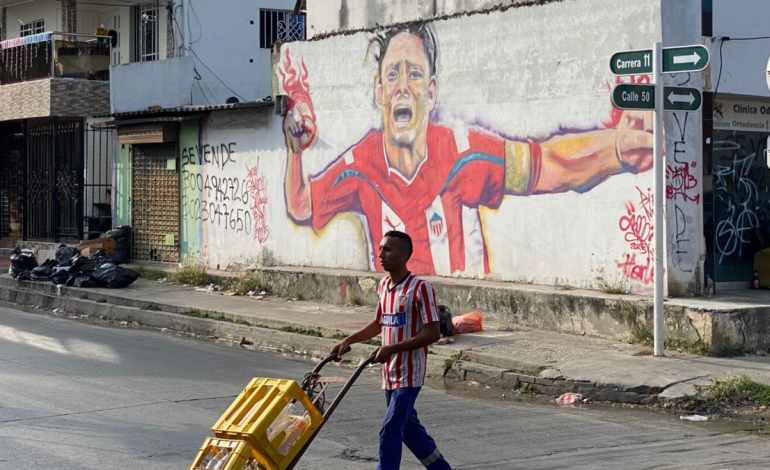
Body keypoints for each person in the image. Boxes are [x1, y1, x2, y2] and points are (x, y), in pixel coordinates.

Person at [280, 23, 654, 276]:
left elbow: (547, 163)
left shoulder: (463, 153)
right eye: (392, 74)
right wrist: (296, 154)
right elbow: (301, 205)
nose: (403, 87)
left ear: (431, 92)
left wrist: (614, 149)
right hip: (396, 318)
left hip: (452, 319)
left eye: (414, 73)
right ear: (380, 93)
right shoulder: (359, 166)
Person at [331, 230, 452, 470]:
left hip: (409, 374)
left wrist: (392, 348)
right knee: (409, 430)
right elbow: (379, 323)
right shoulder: (384, 285)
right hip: (389, 373)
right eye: (380, 249)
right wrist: (349, 340)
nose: (381, 255)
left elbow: (433, 333)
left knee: (390, 429)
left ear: (403, 256)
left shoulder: (420, 288)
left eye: (387, 250)